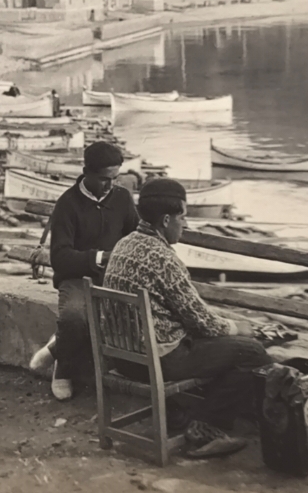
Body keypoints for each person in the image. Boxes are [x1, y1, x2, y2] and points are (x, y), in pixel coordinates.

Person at [103, 177, 274, 459]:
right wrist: (241, 327)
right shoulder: (165, 260)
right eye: (183, 216)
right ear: (166, 220)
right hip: (159, 362)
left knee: (223, 347)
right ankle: (205, 427)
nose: (186, 224)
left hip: (122, 359)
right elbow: (203, 324)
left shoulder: (123, 245)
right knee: (252, 353)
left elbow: (184, 311)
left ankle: (189, 415)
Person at [28, 141, 139, 401]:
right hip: (77, 278)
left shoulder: (122, 197)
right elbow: (60, 258)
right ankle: (62, 368)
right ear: (86, 171)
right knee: (74, 318)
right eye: (103, 180)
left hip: (113, 279)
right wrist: (100, 257)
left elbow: (135, 235)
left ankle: (56, 348)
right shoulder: (67, 204)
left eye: (115, 178)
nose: (110, 186)